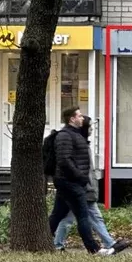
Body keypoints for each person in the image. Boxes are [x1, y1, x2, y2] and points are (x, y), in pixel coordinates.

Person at [53, 115, 129, 256]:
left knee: (67, 218)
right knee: (91, 217)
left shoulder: (80, 143)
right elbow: (82, 169)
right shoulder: (78, 145)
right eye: (90, 127)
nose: (92, 130)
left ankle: (57, 245)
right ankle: (106, 244)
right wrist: (87, 186)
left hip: (78, 188)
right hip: (81, 189)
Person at [48, 106, 104, 254]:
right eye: (79, 116)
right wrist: (80, 176)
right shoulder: (65, 136)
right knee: (83, 216)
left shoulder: (75, 134)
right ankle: (94, 249)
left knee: (58, 214)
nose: (82, 118)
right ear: (72, 119)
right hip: (70, 182)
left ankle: (45, 241)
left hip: (70, 182)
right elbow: (64, 160)